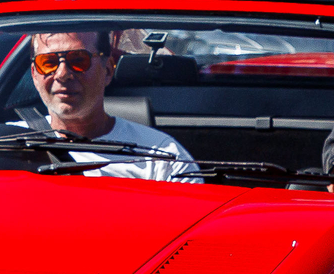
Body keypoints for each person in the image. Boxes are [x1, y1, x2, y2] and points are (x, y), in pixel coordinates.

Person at [20, 30, 199, 181]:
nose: (62, 74)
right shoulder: (3, 144)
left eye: (78, 60)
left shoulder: (163, 157)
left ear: (107, 71)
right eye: (48, 63)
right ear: (35, 75)